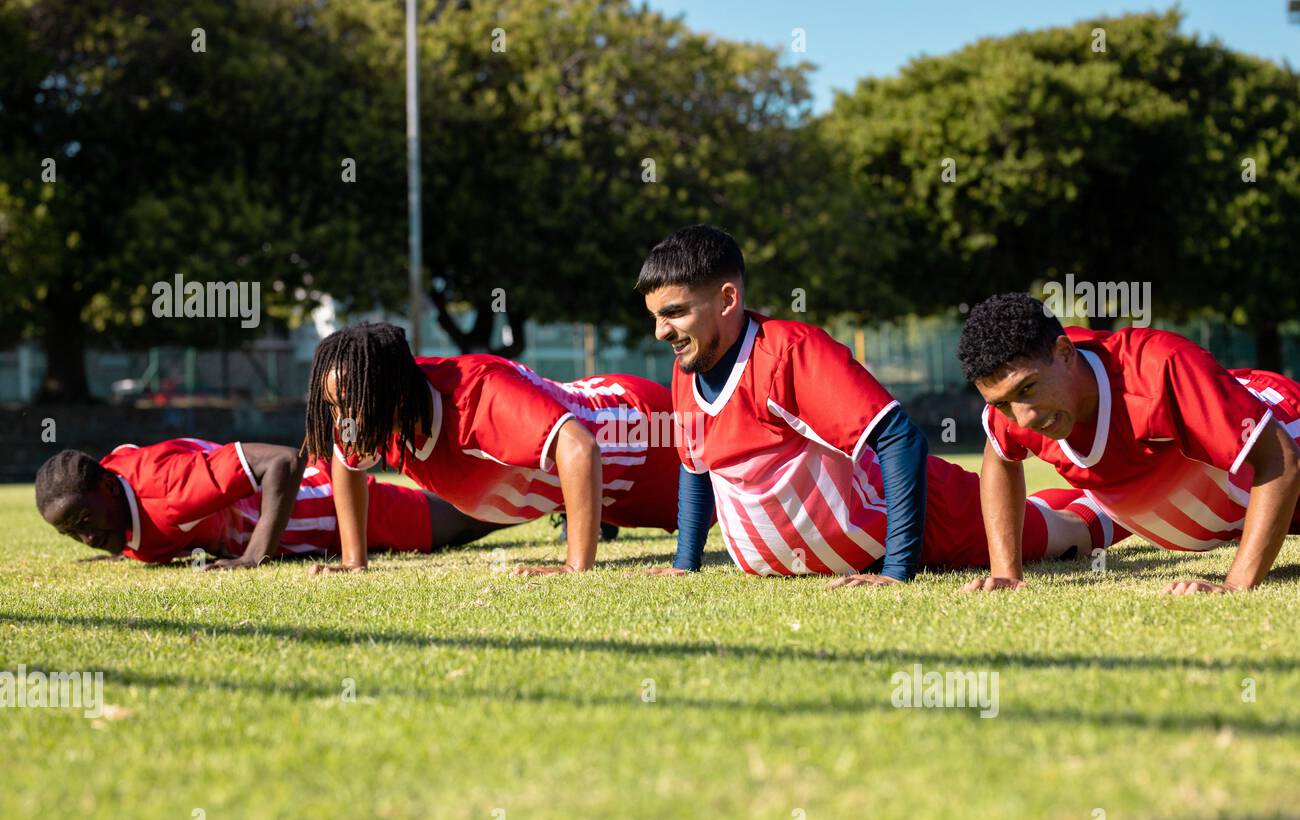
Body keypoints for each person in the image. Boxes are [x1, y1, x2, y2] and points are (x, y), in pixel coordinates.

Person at [636, 225, 1120, 582]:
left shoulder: (788, 352)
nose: (661, 331)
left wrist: (895, 570)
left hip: (934, 518)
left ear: (727, 298)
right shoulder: (690, 367)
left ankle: (1130, 499)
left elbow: (899, 437)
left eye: (674, 313)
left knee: (1066, 537)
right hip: (856, 547)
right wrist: (685, 564)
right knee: (1048, 516)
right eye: (656, 316)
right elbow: (695, 466)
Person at [957, 292, 1300, 594]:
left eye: (1027, 389)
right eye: (1002, 403)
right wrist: (1006, 573)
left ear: (1064, 354)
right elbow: (1000, 456)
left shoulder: (1160, 371)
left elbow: (1281, 460)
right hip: (1203, 495)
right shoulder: (1021, 395)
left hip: (1280, 426)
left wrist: (1236, 585)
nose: (1024, 418)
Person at [302, 323, 679, 574]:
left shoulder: (479, 395)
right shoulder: (376, 405)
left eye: (349, 404)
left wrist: (575, 567)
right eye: (333, 406)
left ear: (395, 396)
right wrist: (354, 560)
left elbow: (581, 448)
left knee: (727, 502)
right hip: (611, 493)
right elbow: (345, 463)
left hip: (645, 436)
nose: (341, 420)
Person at [35, 438, 500, 566]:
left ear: (111, 489)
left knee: (462, 519)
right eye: (70, 531)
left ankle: (557, 494)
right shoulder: (113, 476)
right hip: (297, 510)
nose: (87, 536)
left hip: (322, 506)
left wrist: (253, 555)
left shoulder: (168, 492)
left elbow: (281, 462)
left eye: (84, 520)